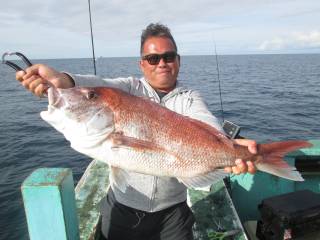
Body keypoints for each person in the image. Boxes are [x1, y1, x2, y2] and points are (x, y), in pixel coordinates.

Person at [16, 23, 256, 240]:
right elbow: (97, 85)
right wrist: (62, 80)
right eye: (152, 58)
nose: (161, 63)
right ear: (142, 64)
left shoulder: (190, 98)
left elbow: (206, 122)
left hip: (173, 215)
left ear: (178, 61)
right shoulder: (129, 89)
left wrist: (230, 148)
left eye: (168, 56)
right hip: (122, 209)